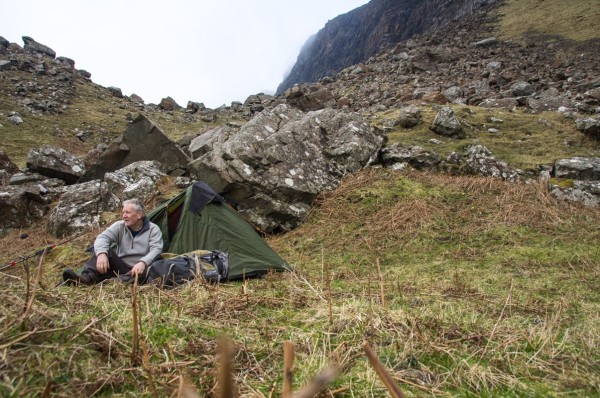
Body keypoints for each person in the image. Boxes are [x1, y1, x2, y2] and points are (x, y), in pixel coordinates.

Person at [63, 198, 163, 285]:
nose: (124, 216)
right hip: (121, 266)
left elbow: (156, 249)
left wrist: (143, 262)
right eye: (123, 212)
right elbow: (103, 238)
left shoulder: (153, 229)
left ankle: (115, 281)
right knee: (104, 250)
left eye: (127, 213)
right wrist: (102, 254)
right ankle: (85, 279)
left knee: (153, 267)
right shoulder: (119, 226)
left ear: (139, 214)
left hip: (140, 270)